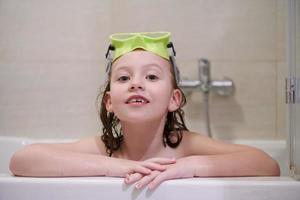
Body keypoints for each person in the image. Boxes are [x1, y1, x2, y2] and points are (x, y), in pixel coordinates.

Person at [9, 32, 280, 190]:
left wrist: (190, 166)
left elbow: (267, 164)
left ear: (175, 99)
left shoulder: (184, 146)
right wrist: (115, 166)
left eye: (151, 77)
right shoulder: (104, 148)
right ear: (109, 103)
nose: (136, 83)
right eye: (124, 78)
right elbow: (22, 159)